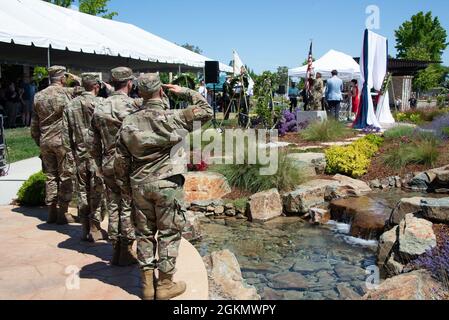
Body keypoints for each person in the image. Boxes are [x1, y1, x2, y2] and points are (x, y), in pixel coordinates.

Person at [114, 73, 213, 300]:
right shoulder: (175, 118)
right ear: (161, 91)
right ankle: (165, 285)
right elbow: (206, 110)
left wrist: (126, 188)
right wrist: (185, 91)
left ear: (138, 93)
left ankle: (148, 286)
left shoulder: (128, 123)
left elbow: (120, 161)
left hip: (140, 184)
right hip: (168, 184)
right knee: (169, 233)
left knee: (144, 234)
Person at [89, 67, 141, 266]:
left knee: (113, 205)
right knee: (127, 206)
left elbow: (92, 140)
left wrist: (97, 163)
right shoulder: (133, 106)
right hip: (127, 163)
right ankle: (126, 249)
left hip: (107, 161)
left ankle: (115, 248)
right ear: (129, 83)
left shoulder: (100, 106)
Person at [63, 73, 109, 242]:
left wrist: (70, 154)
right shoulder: (101, 104)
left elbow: (65, 134)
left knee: (83, 191)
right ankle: (95, 228)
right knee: (97, 191)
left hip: (79, 154)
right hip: (97, 155)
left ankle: (84, 227)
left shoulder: (70, 105)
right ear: (96, 86)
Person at [31, 66, 78, 224]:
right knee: (66, 176)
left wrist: (39, 141)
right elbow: (88, 87)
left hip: (46, 141)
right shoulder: (67, 93)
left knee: (50, 176)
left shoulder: (38, 96)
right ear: (63, 78)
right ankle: (62, 212)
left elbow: (34, 124)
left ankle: (51, 210)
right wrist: (75, 78)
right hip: (62, 141)